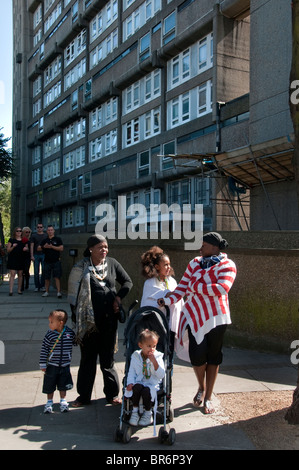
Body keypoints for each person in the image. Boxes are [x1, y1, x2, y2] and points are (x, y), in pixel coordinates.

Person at [158, 232, 237, 415]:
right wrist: (167, 300)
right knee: (197, 356)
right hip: (194, 316)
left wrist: (195, 287)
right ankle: (201, 387)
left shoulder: (228, 264)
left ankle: (208, 397)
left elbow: (222, 288)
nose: (200, 248)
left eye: (204, 245)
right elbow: (182, 288)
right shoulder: (194, 263)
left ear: (215, 247)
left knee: (214, 356)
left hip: (217, 317)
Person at [68, 234, 132, 407]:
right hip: (88, 323)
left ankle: (112, 395)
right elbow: (73, 297)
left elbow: (127, 282)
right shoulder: (80, 267)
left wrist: (118, 298)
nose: (104, 250)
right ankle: (83, 397)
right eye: (100, 247)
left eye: (106, 247)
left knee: (108, 360)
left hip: (109, 321)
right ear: (90, 249)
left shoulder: (112, 263)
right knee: (87, 360)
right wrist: (76, 320)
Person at [140, 246, 184, 363]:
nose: (169, 267)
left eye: (169, 264)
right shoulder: (149, 283)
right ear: (156, 267)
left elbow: (178, 299)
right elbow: (149, 302)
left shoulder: (172, 281)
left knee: (169, 355)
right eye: (165, 265)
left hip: (170, 326)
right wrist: (167, 294)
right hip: (155, 326)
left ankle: (168, 377)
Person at [125, 329, 165, 427]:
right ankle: (134, 412)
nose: (152, 349)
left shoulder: (158, 357)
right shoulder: (135, 356)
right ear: (140, 345)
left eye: (154, 346)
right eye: (149, 346)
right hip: (139, 381)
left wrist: (154, 363)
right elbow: (131, 372)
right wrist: (130, 383)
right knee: (137, 388)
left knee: (146, 391)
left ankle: (148, 413)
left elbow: (161, 375)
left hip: (152, 383)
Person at [39, 309, 76, 414]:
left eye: (51, 322)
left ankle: (63, 401)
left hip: (65, 364)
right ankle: (49, 402)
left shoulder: (69, 333)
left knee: (63, 384)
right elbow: (44, 349)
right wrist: (43, 363)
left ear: (60, 323)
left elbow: (75, 341)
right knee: (49, 384)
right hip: (52, 365)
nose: (49, 324)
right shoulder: (49, 335)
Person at [40, 225, 64, 298]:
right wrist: (44, 247)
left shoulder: (58, 239)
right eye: (49, 230)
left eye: (51, 230)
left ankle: (59, 292)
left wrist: (52, 247)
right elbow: (38, 248)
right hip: (47, 261)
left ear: (54, 231)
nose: (50, 231)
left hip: (56, 260)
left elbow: (61, 248)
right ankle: (46, 291)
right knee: (47, 277)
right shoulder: (45, 240)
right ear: (47, 231)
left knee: (57, 276)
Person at [6, 227, 29, 295]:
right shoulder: (12, 240)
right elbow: (8, 250)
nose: (19, 232)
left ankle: (19, 289)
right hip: (13, 258)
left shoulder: (24, 240)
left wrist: (26, 249)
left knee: (20, 274)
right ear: (15, 232)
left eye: (20, 231)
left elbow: (27, 248)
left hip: (21, 258)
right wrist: (13, 246)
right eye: (17, 231)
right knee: (12, 274)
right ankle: (11, 290)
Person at [30, 223, 47, 292]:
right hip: (36, 254)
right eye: (38, 227)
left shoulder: (46, 235)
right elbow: (32, 246)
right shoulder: (33, 235)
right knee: (36, 271)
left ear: (43, 228)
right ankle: (37, 286)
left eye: (41, 227)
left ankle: (42, 285)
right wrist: (32, 255)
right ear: (36, 228)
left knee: (44, 271)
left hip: (43, 254)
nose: (39, 228)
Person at [21, 226, 32, 291]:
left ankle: (27, 282)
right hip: (21, 257)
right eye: (26, 232)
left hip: (27, 257)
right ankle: (21, 285)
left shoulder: (30, 240)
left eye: (28, 232)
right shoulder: (21, 239)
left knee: (26, 270)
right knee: (21, 271)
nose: (27, 233)